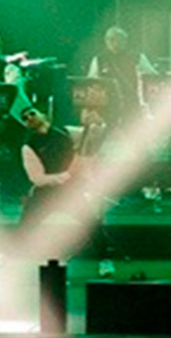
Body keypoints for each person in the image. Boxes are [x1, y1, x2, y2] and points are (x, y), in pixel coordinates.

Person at [19, 106, 113, 273]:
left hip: (70, 191)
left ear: (42, 114)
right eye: (25, 118)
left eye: (32, 113)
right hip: (46, 192)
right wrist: (65, 176)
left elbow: (93, 138)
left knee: (91, 223)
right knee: (26, 225)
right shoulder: (28, 147)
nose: (29, 118)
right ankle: (10, 259)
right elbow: (37, 178)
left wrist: (96, 123)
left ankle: (105, 260)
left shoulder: (67, 132)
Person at [87, 26, 156, 124]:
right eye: (111, 39)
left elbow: (152, 76)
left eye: (118, 39)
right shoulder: (99, 59)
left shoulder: (137, 57)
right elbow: (91, 81)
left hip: (131, 101)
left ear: (125, 41)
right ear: (106, 41)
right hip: (108, 104)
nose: (115, 43)